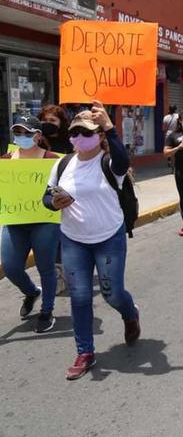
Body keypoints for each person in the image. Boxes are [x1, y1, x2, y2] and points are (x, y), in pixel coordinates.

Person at [43, 103, 140, 380]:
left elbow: (123, 159)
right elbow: (46, 197)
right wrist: (54, 201)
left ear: (98, 135)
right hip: (73, 240)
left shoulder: (110, 163)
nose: (78, 137)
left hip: (109, 237)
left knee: (112, 294)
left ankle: (130, 312)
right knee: (81, 296)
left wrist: (110, 127)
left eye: (85, 132)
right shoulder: (62, 164)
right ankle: (85, 351)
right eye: (74, 132)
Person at [2, 116, 61, 333]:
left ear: (37, 136)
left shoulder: (52, 160)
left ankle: (47, 311)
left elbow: (60, 190)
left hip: (44, 221)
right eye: (18, 132)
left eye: (27, 133)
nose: (22, 137)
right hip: (14, 221)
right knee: (10, 267)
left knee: (45, 266)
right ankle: (31, 292)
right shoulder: (6, 161)